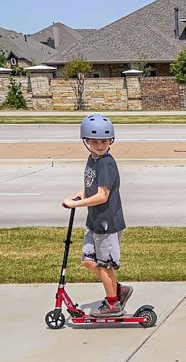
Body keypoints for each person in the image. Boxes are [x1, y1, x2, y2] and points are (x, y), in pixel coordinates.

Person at [62, 114, 132, 317]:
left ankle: (113, 305)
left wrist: (76, 204)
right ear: (86, 141)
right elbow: (93, 188)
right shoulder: (93, 159)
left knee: (104, 265)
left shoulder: (106, 163)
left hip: (107, 223)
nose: (99, 145)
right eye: (94, 141)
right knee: (88, 261)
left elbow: (102, 196)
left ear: (111, 140)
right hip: (94, 221)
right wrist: (80, 195)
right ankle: (119, 290)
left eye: (104, 141)